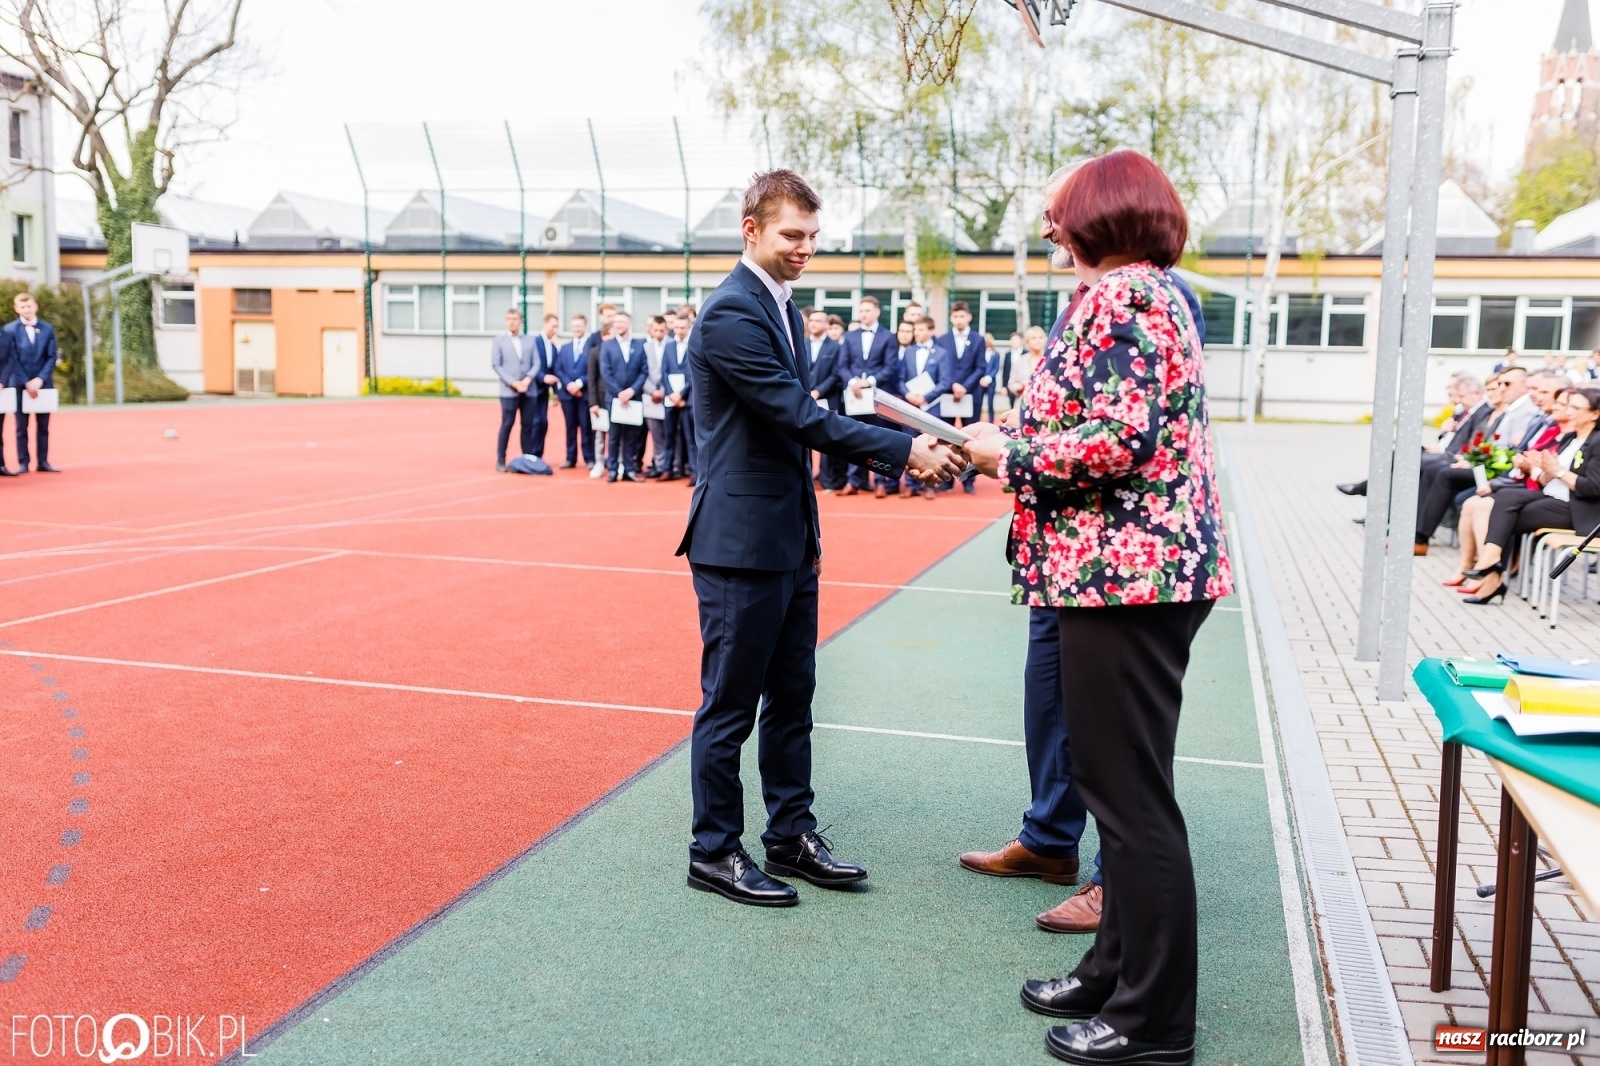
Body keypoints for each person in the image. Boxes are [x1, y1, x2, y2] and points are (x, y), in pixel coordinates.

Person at [962, 149, 1231, 1066]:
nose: (1048, 225)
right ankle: (1112, 971)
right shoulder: (1142, 294)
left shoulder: (1126, 296)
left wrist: (1009, 455)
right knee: (1120, 794)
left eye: (1059, 209)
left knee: (1131, 803)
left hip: (1127, 576)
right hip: (1125, 574)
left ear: (1105, 213)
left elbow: (1118, 439)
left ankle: (1152, 1022)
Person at [677, 169, 963, 908]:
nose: (805, 247)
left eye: (812, 236)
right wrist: (903, 451)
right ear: (751, 230)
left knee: (793, 696)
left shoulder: (781, 306)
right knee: (730, 705)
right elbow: (796, 416)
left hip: (788, 537)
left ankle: (789, 834)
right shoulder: (730, 313)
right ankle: (713, 850)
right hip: (739, 544)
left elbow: (797, 418)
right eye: (791, 235)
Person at [1456, 387, 1600, 604]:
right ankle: (1490, 565)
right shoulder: (1570, 438)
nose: (1569, 411)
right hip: (1551, 496)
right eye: (1569, 406)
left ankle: (1491, 572)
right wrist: (1539, 468)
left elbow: (1593, 488)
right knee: (1504, 498)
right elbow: (1547, 479)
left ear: (1595, 414)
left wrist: (1557, 471)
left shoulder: (1597, 442)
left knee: (1499, 516)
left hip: (1577, 508)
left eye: (1575, 408)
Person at [836, 295, 900, 496]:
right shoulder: (850, 336)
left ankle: (880, 481)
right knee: (854, 438)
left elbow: (890, 367)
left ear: (877, 312)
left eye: (867, 310)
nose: (863, 314)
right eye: (861, 310)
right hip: (854, 396)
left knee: (880, 438)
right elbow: (842, 366)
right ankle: (853, 481)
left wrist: (869, 381)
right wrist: (853, 382)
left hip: (877, 395)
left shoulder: (888, 337)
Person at [3, 293, 60, 474]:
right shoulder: (9, 329)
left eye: (29, 306)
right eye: (22, 307)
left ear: (35, 306)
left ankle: (43, 461)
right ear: (16, 308)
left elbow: (51, 357)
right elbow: (10, 358)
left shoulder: (47, 329)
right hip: (19, 384)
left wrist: (40, 379)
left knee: (43, 426)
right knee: (21, 427)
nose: (26, 310)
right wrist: (26, 382)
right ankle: (23, 463)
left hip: (43, 384)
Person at [802, 308, 848, 492]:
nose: (813, 324)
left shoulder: (835, 347)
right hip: (803, 397)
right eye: (811, 321)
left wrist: (818, 391)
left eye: (818, 321)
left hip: (827, 399)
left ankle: (827, 480)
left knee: (826, 440)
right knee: (804, 439)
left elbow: (836, 375)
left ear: (826, 325)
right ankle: (807, 480)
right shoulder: (801, 343)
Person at [600, 311, 647, 483]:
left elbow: (644, 371)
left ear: (629, 324)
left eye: (622, 321)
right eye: (616, 322)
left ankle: (629, 469)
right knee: (614, 436)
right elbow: (605, 372)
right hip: (615, 398)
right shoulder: (607, 345)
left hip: (633, 398)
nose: (619, 325)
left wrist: (632, 391)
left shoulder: (639, 345)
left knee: (631, 436)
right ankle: (612, 469)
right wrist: (619, 392)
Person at [490, 308, 535, 473]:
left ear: (520, 321)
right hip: (509, 391)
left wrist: (527, 379)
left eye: (515, 319)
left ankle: (527, 460)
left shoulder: (530, 340)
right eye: (509, 319)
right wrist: (513, 382)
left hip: (528, 390)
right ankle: (501, 460)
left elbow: (536, 363)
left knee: (528, 425)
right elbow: (496, 364)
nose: (512, 322)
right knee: (507, 424)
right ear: (505, 321)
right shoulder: (499, 341)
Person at [555, 314, 597, 470]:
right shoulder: (565, 348)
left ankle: (589, 458)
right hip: (567, 395)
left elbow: (593, 370)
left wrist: (579, 384)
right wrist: (568, 385)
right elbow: (558, 368)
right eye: (574, 326)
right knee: (570, 427)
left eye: (579, 326)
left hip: (584, 394)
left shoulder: (591, 347)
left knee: (586, 427)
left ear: (585, 326)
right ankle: (570, 458)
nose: (576, 329)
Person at [642, 314, 673, 478]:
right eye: (656, 330)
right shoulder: (644, 347)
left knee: (673, 433)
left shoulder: (672, 345)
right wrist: (652, 391)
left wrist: (666, 391)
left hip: (670, 396)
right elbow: (641, 371)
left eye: (662, 330)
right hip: (651, 396)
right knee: (656, 434)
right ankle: (659, 466)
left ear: (666, 330)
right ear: (651, 330)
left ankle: (673, 466)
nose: (659, 333)